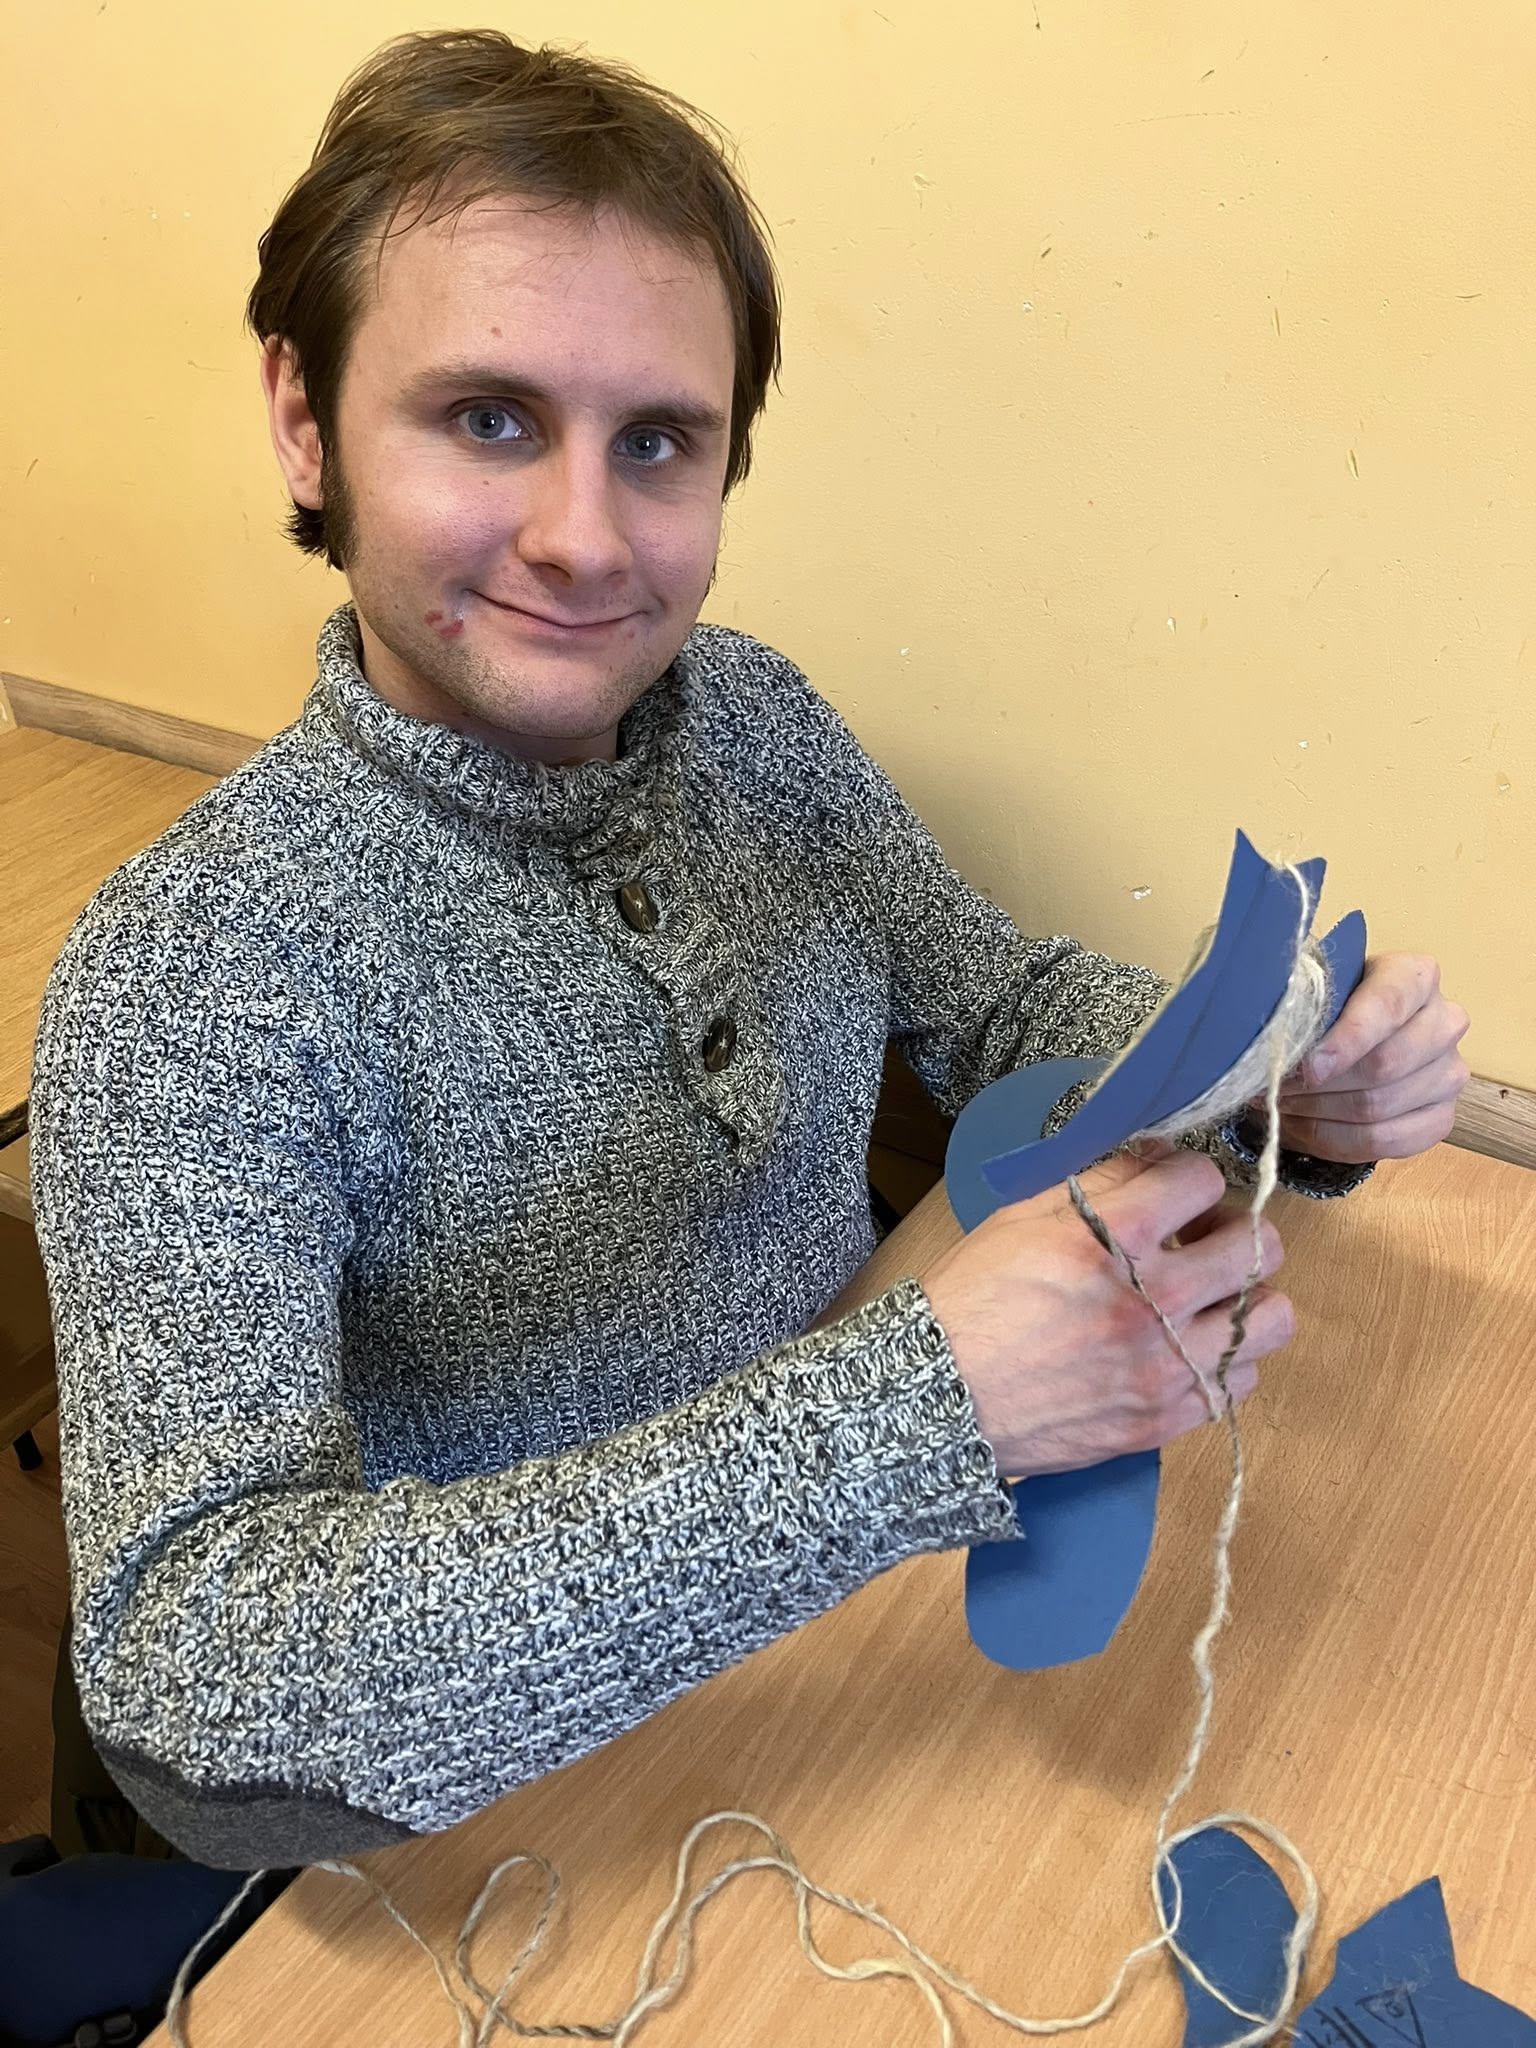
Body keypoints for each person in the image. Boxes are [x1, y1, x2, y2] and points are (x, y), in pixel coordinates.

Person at [30, 28, 1471, 1876]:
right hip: (505, 1813)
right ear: (306, 420)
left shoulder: (755, 724)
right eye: (489, 419)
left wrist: (1283, 1076)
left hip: (830, 1637)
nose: (584, 538)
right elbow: (193, 1678)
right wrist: (921, 1412)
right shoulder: (191, 978)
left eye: (658, 443)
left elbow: (1006, 1014)